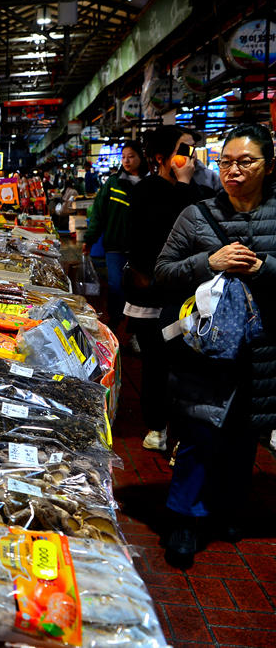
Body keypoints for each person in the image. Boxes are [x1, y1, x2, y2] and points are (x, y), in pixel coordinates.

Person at [153, 124, 276, 568]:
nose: (233, 171)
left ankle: (226, 509)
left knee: (244, 434)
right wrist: (208, 262)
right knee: (199, 431)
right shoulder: (196, 215)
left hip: (263, 349)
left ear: (269, 165)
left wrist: (263, 268)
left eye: (246, 162)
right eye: (226, 162)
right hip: (207, 349)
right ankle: (185, 518)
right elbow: (163, 272)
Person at [124, 126, 208, 452]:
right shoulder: (144, 191)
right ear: (161, 158)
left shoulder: (200, 191)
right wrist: (183, 186)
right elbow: (165, 230)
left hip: (188, 296)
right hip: (150, 295)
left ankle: (183, 431)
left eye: (192, 151)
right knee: (155, 364)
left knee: (186, 365)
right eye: (183, 151)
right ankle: (156, 427)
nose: (191, 159)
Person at [82, 142, 147, 332]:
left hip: (141, 247)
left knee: (138, 289)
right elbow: (99, 214)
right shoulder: (113, 183)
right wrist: (90, 239)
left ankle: (134, 330)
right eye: (124, 156)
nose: (126, 160)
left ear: (141, 157)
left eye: (131, 156)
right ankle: (114, 323)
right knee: (116, 287)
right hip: (115, 245)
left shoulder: (150, 183)